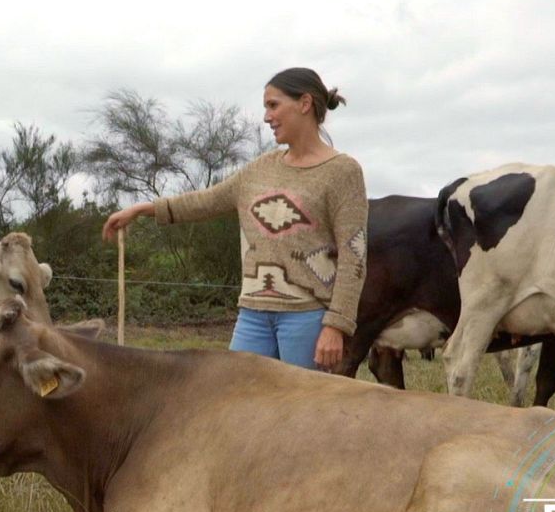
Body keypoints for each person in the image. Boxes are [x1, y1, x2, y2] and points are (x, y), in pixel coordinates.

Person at [103, 68, 367, 371]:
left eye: (273, 105)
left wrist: (336, 325)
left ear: (304, 103)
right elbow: (206, 201)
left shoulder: (343, 171)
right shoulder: (260, 169)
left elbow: (354, 254)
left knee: (305, 403)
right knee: (236, 398)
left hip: (307, 318)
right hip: (252, 315)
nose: (267, 117)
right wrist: (143, 209)